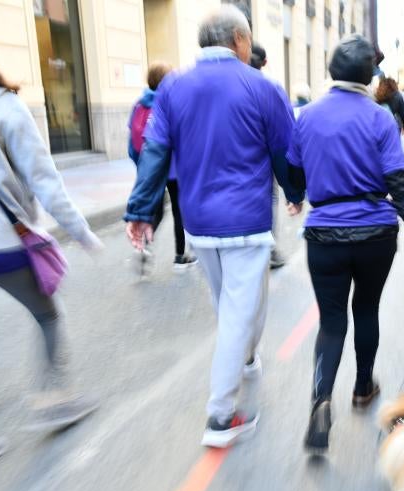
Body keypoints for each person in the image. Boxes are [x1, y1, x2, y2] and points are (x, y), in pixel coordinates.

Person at [124, 5, 304, 448]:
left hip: (200, 224)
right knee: (241, 312)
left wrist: (140, 211)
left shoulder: (172, 88)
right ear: (240, 41)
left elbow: (154, 152)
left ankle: (243, 358)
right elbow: (285, 151)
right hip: (247, 220)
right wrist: (295, 192)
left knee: (231, 305)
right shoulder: (264, 87)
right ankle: (221, 416)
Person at [287, 35, 404, 452]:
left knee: (332, 320)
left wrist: (299, 194)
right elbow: (399, 183)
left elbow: (294, 177)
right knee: (366, 308)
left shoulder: (306, 117)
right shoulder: (379, 119)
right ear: (368, 77)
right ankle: (361, 387)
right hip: (375, 234)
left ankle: (320, 402)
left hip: (324, 236)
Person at [0, 32, 102, 476]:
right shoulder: (3, 108)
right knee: (47, 315)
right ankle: (52, 399)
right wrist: (79, 231)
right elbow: (45, 181)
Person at [128, 62, 197, 270]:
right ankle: (179, 256)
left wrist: (141, 166)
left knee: (156, 211)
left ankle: (141, 245)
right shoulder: (170, 103)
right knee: (178, 210)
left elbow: (132, 141)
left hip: (151, 168)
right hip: (174, 168)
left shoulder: (139, 104)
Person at [248, 42, 287, 268]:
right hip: (264, 165)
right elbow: (282, 141)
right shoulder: (270, 88)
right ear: (265, 63)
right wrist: (293, 190)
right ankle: (269, 250)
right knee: (270, 201)